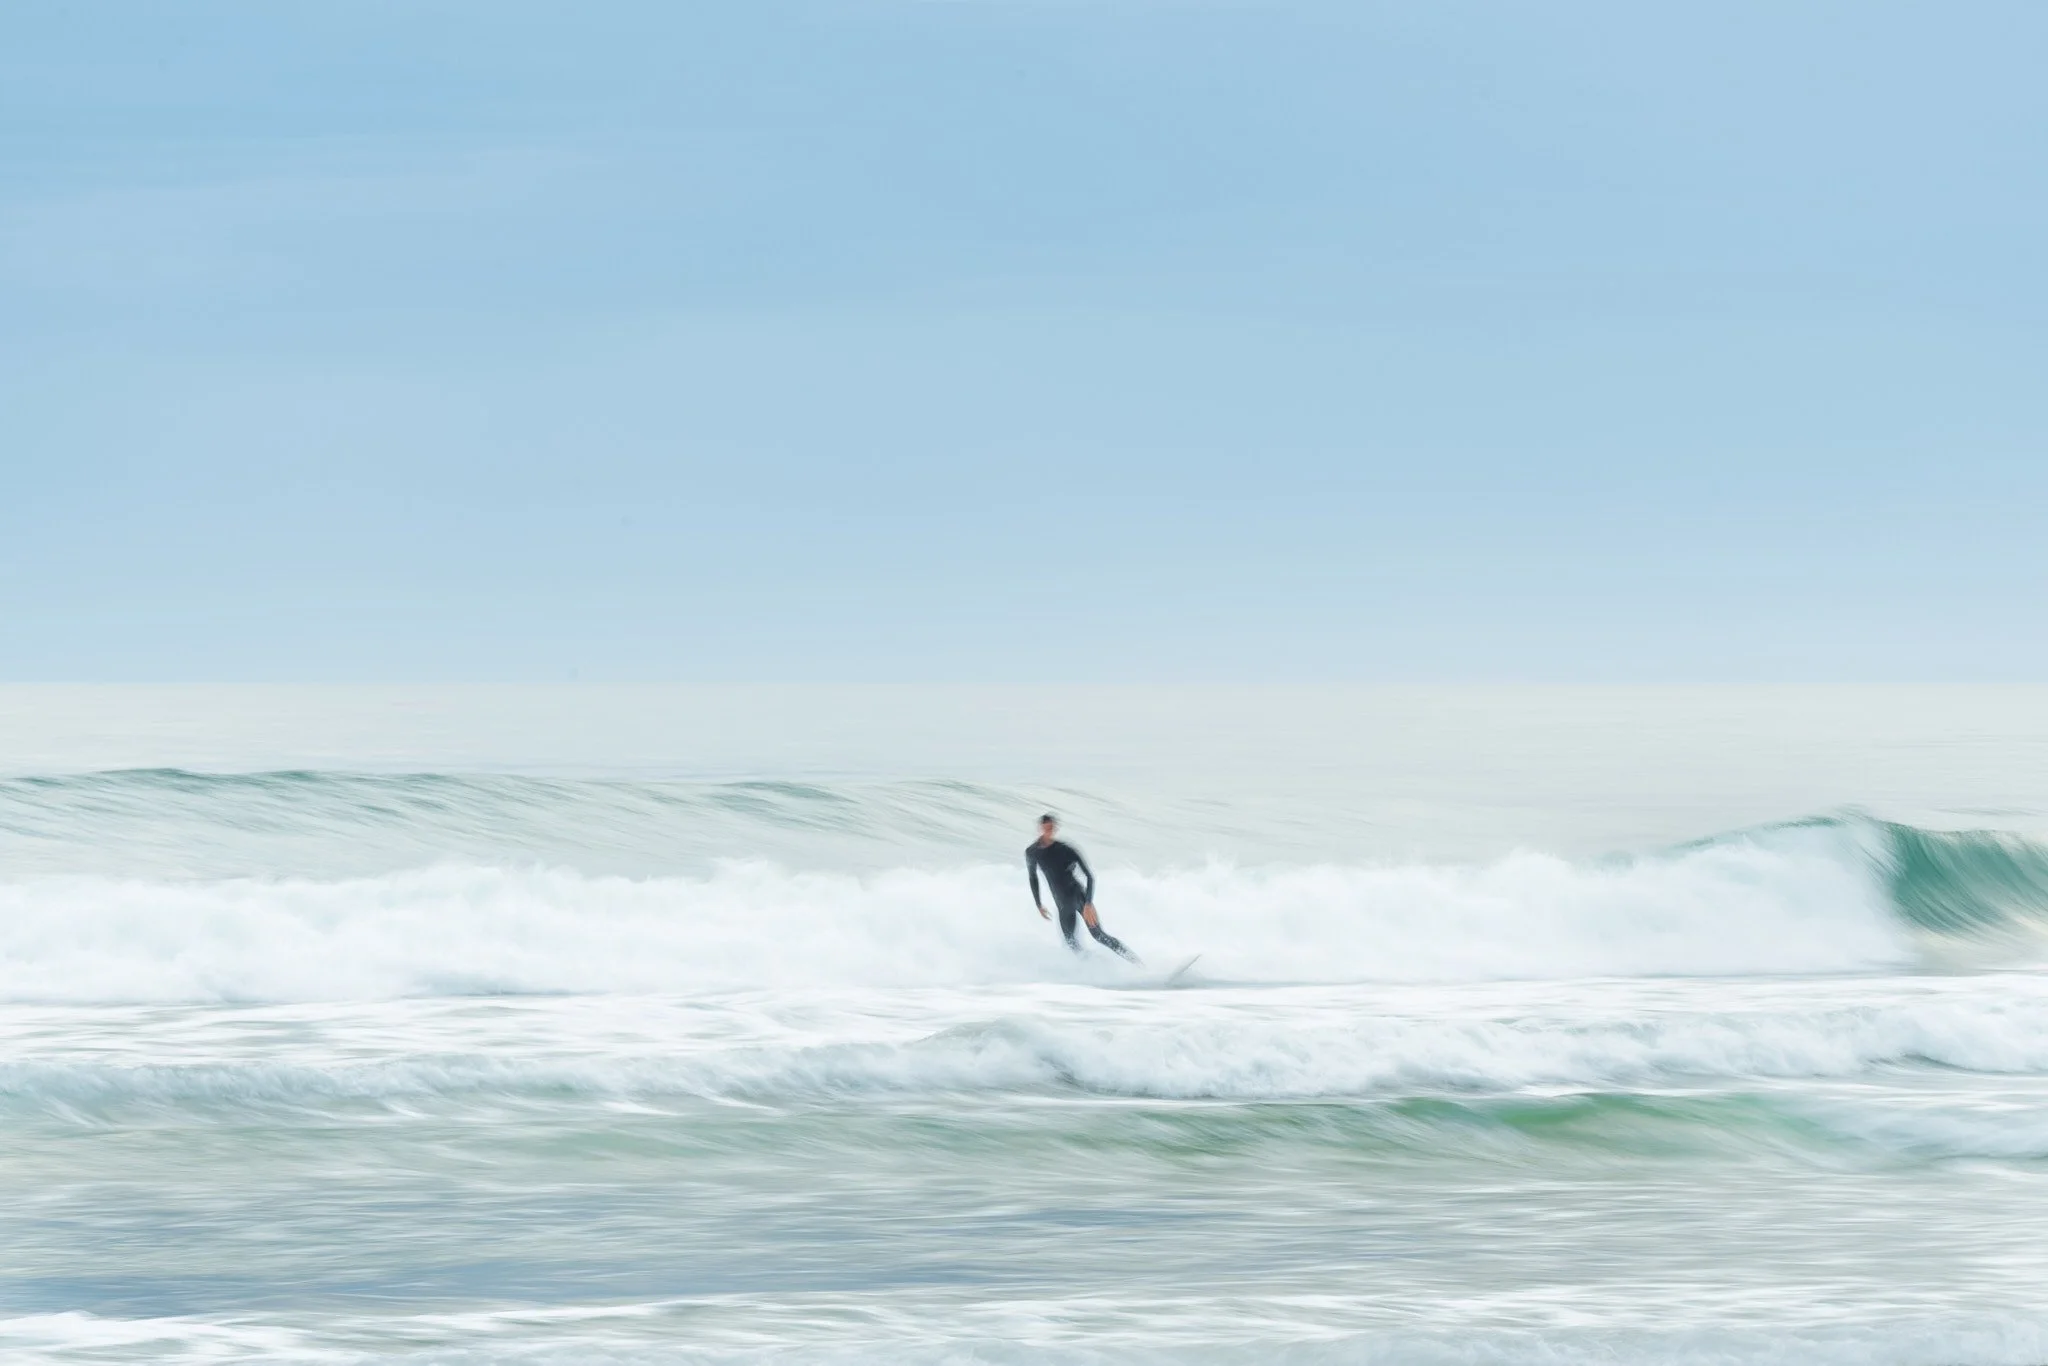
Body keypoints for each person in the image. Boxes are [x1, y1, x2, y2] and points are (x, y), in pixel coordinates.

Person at [1026, 814, 1138, 961]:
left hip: (1078, 897)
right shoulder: (1032, 852)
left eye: (1051, 828)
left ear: (1055, 828)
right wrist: (1038, 904)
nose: (1049, 831)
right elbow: (1033, 878)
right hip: (1062, 904)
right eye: (1046, 828)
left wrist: (1088, 903)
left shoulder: (1066, 850)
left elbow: (1089, 876)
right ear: (1040, 828)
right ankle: (1094, 967)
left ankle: (1135, 962)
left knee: (1099, 936)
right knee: (1070, 942)